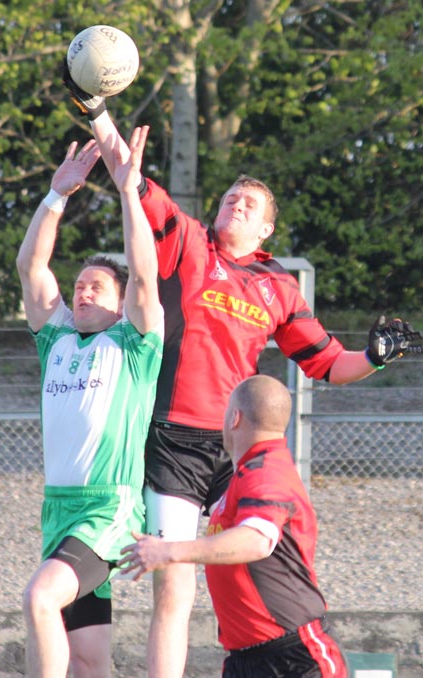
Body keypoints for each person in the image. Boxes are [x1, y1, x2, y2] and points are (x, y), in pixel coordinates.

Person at [63, 73, 421, 677]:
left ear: (267, 229)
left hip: (237, 448)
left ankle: (293, 653)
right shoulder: (192, 245)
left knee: (267, 554)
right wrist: (98, 111)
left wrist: (378, 359)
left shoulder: (280, 285)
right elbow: (134, 178)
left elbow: (328, 362)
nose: (236, 204)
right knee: (174, 585)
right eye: (230, 197)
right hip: (174, 441)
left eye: (249, 204)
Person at [16, 127, 164, 678]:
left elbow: (145, 274)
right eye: (78, 285)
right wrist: (55, 197)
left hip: (108, 509)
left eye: (97, 286)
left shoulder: (132, 343)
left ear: (123, 302)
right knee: (88, 660)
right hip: (59, 508)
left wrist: (129, 191)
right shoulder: (55, 339)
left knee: (38, 599)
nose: (82, 291)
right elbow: (32, 270)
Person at [119, 374, 349, 677]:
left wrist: (170, 551)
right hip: (249, 659)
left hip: (295, 659)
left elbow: (256, 540)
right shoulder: (248, 472)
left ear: (234, 418)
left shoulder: (266, 472)